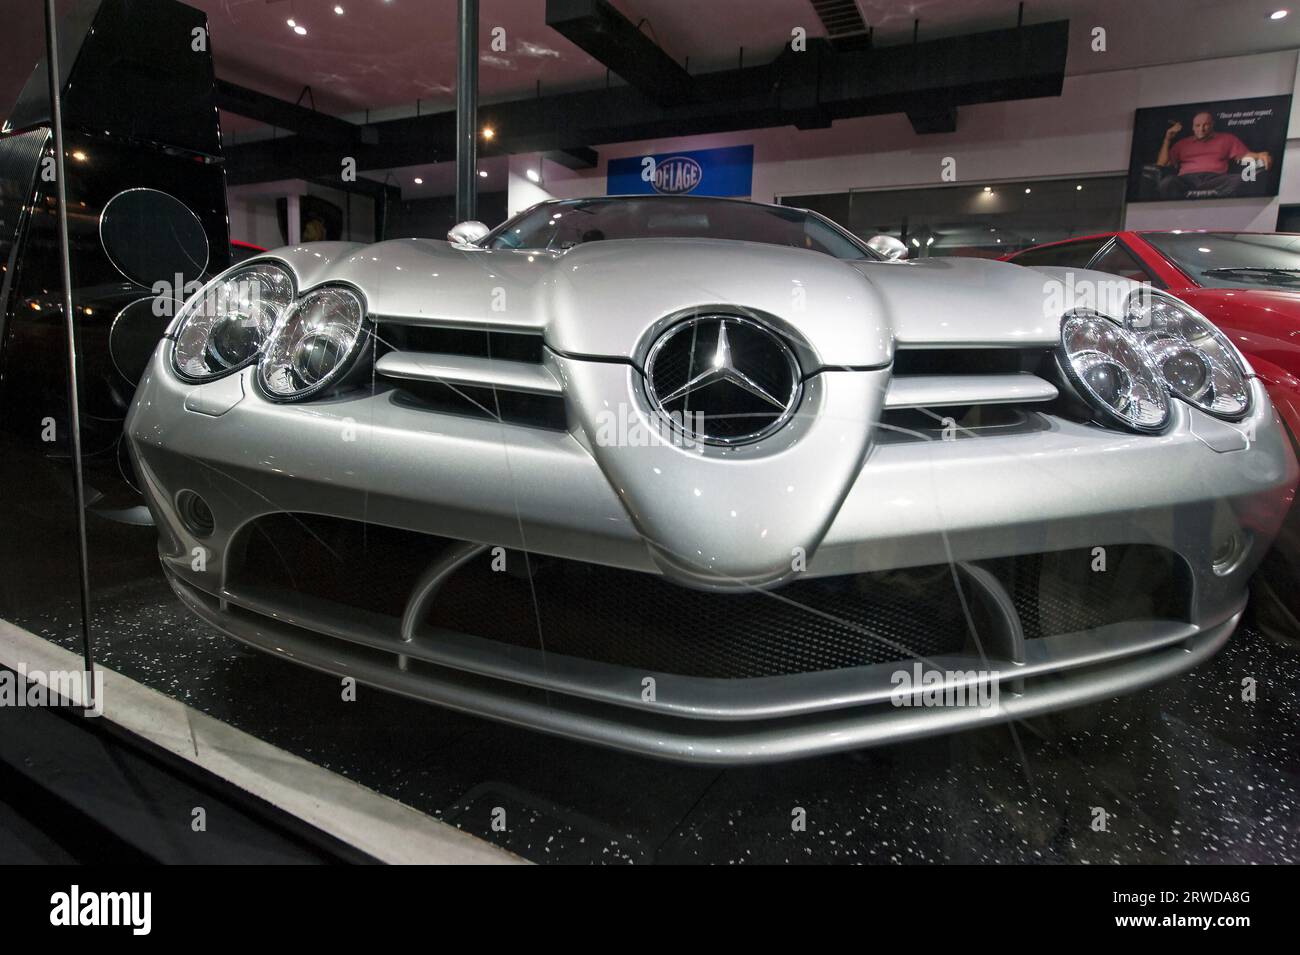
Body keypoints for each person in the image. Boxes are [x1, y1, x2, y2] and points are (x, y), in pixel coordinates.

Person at [1154, 111, 1272, 198]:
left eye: (1206, 125)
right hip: (1187, 179)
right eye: (1198, 126)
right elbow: (1161, 164)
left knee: (1239, 181)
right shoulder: (1182, 143)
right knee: (1167, 182)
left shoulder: (1227, 139)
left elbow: (1244, 156)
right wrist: (1167, 140)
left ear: (1212, 125)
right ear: (1193, 127)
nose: (1202, 129)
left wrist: (1259, 155)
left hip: (1216, 179)